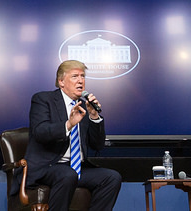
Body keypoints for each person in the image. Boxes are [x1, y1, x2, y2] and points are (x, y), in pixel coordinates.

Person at [22, 60, 122, 211]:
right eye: (75, 76)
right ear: (61, 81)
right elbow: (40, 132)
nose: (81, 80)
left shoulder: (84, 106)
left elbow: (97, 145)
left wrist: (94, 117)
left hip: (77, 168)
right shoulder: (43, 99)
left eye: (82, 76)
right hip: (49, 167)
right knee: (67, 175)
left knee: (112, 177)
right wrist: (69, 124)